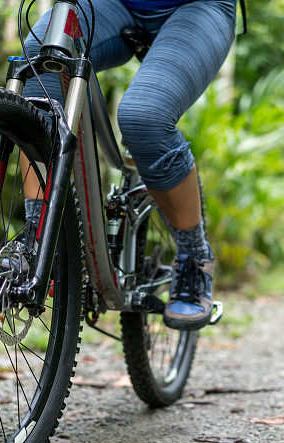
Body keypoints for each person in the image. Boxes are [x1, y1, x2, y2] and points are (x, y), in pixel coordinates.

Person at [21, 0, 236, 330]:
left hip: (197, 7)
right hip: (113, 4)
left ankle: (194, 257)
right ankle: (36, 237)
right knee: (40, 60)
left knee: (143, 118)